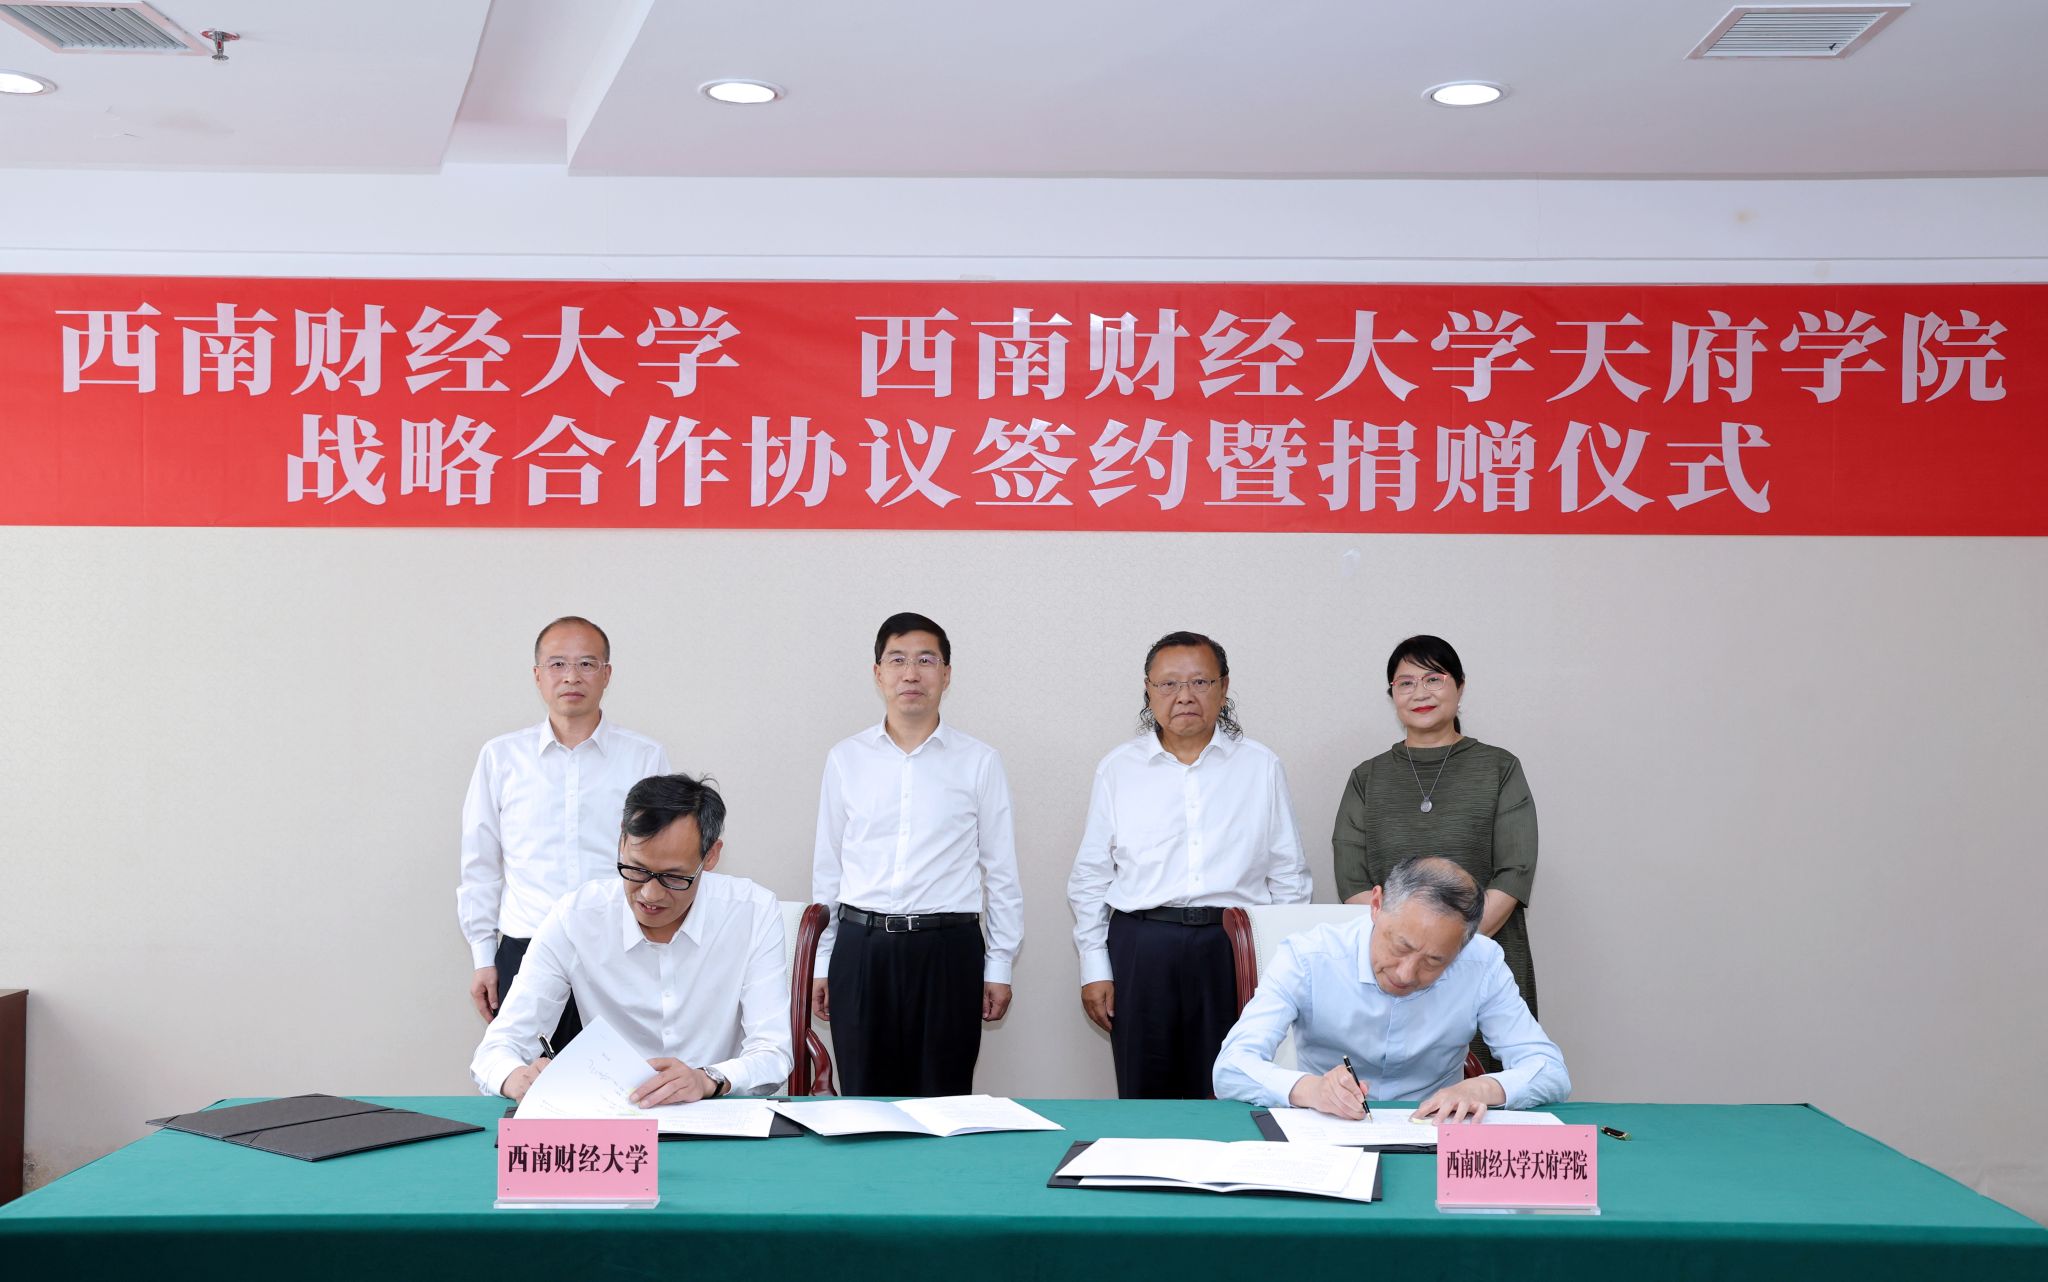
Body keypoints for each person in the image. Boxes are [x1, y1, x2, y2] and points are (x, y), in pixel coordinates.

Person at [1067, 630, 1312, 1099]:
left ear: (1224, 688)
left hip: (1234, 945)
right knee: (1145, 1092)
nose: (1184, 696)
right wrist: (1094, 967)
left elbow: (1289, 876)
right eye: (1169, 684)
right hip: (1142, 946)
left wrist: (1278, 969)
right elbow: (1091, 878)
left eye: (1200, 682)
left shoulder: (1260, 766)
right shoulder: (1118, 769)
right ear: (1148, 690)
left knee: (1232, 1088)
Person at [471, 773, 793, 1103]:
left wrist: (708, 1078)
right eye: (637, 870)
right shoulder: (577, 918)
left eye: (673, 877)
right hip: (613, 1118)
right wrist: (516, 1077)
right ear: (621, 840)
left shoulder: (753, 912)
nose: (650, 894)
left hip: (715, 1113)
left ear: (710, 856)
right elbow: (496, 1049)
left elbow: (773, 1052)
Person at [811, 612, 1024, 1096]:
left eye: (926, 661)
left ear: (946, 674)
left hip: (948, 952)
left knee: (944, 1102)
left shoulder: (979, 761)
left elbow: (1001, 872)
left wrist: (1000, 964)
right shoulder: (846, 758)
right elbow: (828, 868)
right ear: (878, 673)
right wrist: (822, 961)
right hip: (861, 950)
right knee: (864, 1104)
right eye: (898, 660)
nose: (911, 673)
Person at [1214, 856, 1568, 1120]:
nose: (1406, 973)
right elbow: (1231, 1067)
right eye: (1400, 946)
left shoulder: (1482, 963)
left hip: (1434, 1130)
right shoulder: (1307, 957)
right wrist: (1311, 1089)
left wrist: (1482, 1087)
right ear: (1376, 905)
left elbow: (1550, 1070)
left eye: (1434, 961)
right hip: (1329, 1128)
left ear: (1462, 945)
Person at [457, 616, 671, 1049]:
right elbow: (480, 864)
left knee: (624, 1076)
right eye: (557, 664)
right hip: (526, 947)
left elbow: (666, 862)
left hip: (619, 949)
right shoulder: (501, 758)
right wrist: (483, 957)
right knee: (527, 1077)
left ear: (607, 674)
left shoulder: (644, 758)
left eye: (587, 664)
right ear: (538, 675)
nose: (572, 676)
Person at [1331, 634, 1538, 1071]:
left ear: (1460, 686)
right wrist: (1405, 956)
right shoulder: (1367, 777)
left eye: (1433, 679)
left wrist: (1450, 951)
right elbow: (1352, 880)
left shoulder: (1499, 768)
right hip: (1392, 970)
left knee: (1485, 1090)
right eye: (1405, 683)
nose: (1420, 693)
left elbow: (1515, 871)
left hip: (1483, 958)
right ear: (1392, 696)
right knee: (1390, 1091)